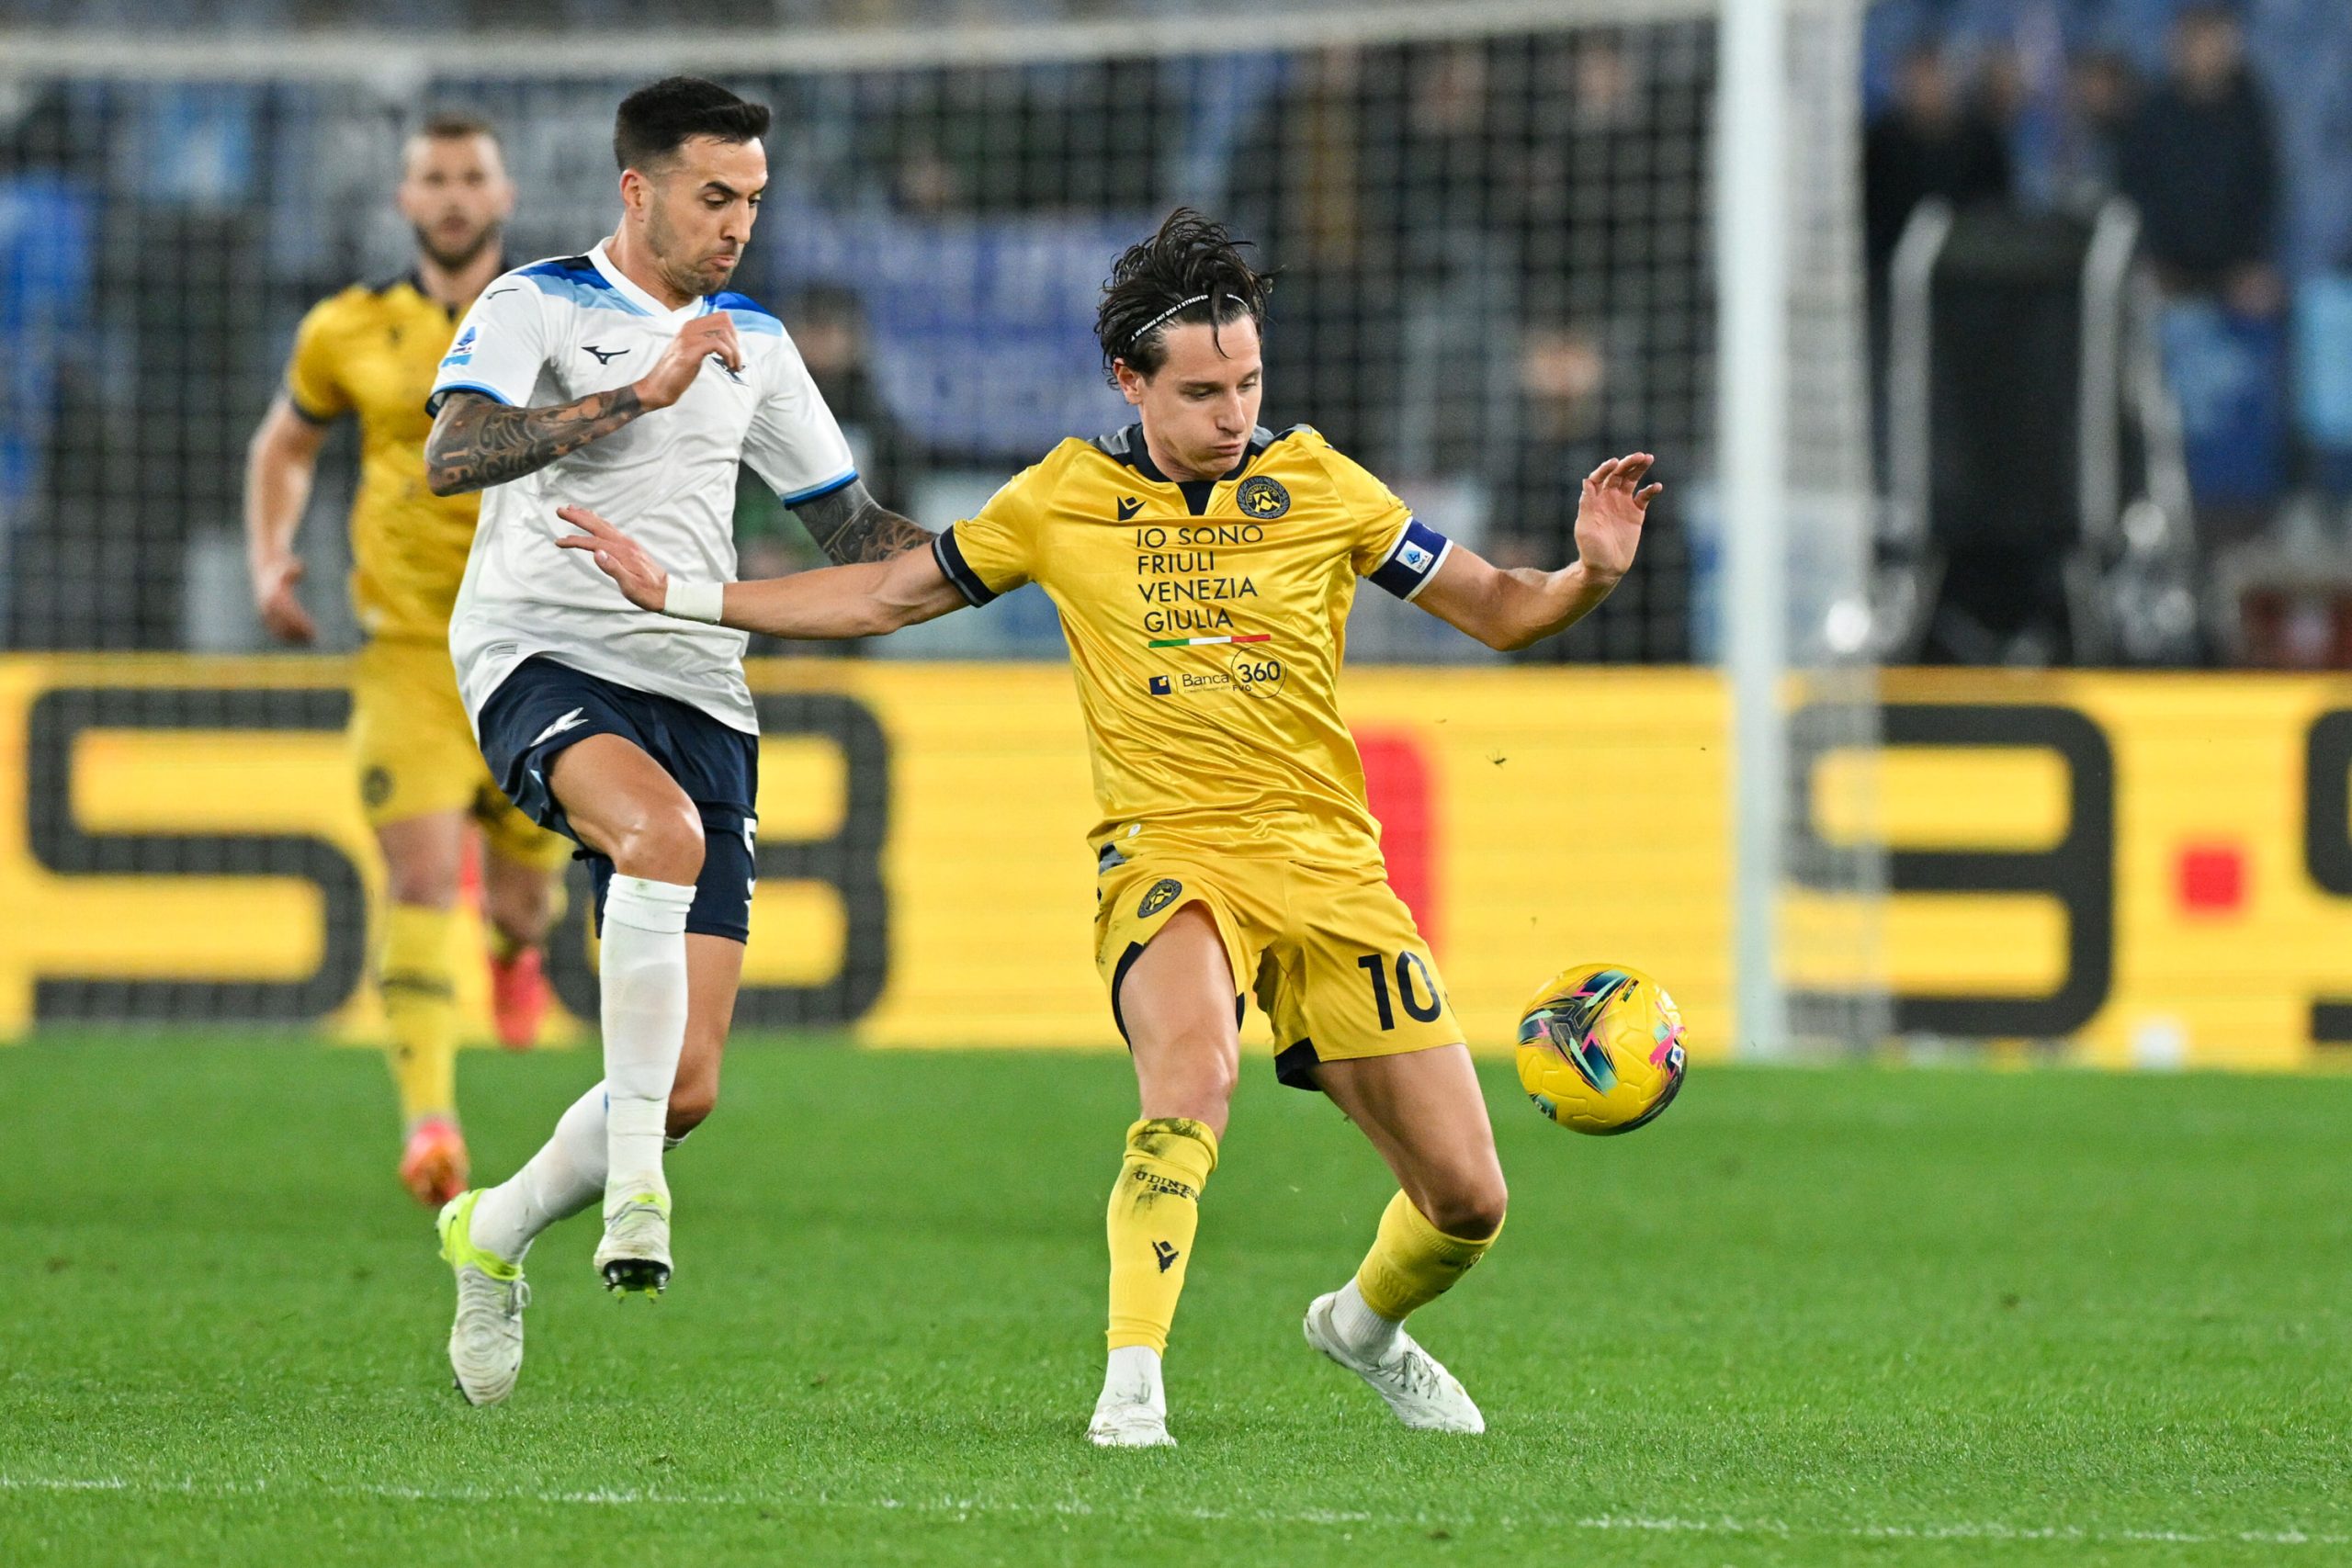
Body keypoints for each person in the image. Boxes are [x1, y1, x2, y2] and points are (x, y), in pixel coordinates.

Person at [558, 209, 1657, 1446]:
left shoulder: (1324, 487)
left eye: (1247, 381)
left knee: (1466, 1199)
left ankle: (1360, 1325)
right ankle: (1132, 1385)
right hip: (1167, 850)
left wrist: (1589, 579)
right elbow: (884, 590)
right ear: (1129, 381)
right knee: (1195, 1072)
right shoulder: (1063, 499)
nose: (1233, 411)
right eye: (1200, 390)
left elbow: (1505, 612)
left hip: (1332, 866)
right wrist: (690, 593)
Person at [419, 77, 933, 1406]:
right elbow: (454, 455)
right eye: (717, 196)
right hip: (541, 649)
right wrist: (633, 396)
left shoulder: (752, 340)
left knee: (687, 1080)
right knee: (659, 834)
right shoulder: (537, 300)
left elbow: (857, 536)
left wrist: (1019, 551)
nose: (739, 224)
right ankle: (632, 1193)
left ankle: (493, 1226)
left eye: (754, 201)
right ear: (637, 189)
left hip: (698, 684)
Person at [243, 112, 570, 1209]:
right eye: (432, 177)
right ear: (403, 199)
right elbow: (284, 445)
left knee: (523, 906)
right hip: (408, 655)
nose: (451, 195)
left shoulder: (556, 317)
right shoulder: (344, 328)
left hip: (533, 646)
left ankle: (516, 959)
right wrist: (269, 557)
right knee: (421, 878)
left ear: (503, 192)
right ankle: (431, 1123)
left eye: (470, 175)